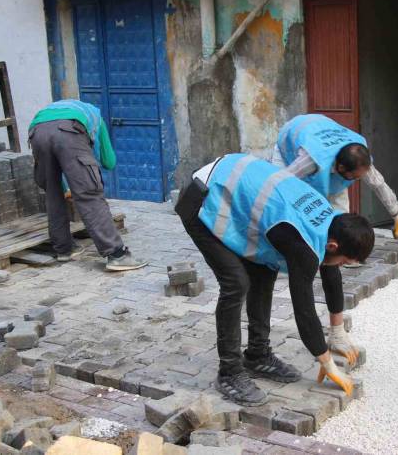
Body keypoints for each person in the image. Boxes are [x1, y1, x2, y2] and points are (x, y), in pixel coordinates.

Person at [176, 153, 374, 406]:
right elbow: (304, 311)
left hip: (232, 185)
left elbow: (332, 276)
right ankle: (229, 373)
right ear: (334, 245)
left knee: (264, 269)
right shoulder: (304, 244)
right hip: (202, 199)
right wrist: (326, 362)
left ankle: (257, 355)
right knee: (236, 283)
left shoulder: (330, 223)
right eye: (346, 261)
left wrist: (337, 332)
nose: (342, 267)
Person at [271, 113, 398, 366]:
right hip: (288, 160)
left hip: (325, 159)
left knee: (335, 247)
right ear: (340, 169)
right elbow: (278, 185)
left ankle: (337, 332)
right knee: (317, 241)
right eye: (352, 178)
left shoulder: (358, 157)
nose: (355, 182)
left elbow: (378, 183)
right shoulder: (308, 161)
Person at [29, 99, 147, 271]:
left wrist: (66, 188)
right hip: (69, 131)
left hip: (37, 131)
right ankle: (117, 255)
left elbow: (53, 179)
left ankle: (64, 250)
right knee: (89, 193)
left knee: (52, 193)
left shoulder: (54, 110)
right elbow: (109, 161)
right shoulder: (96, 118)